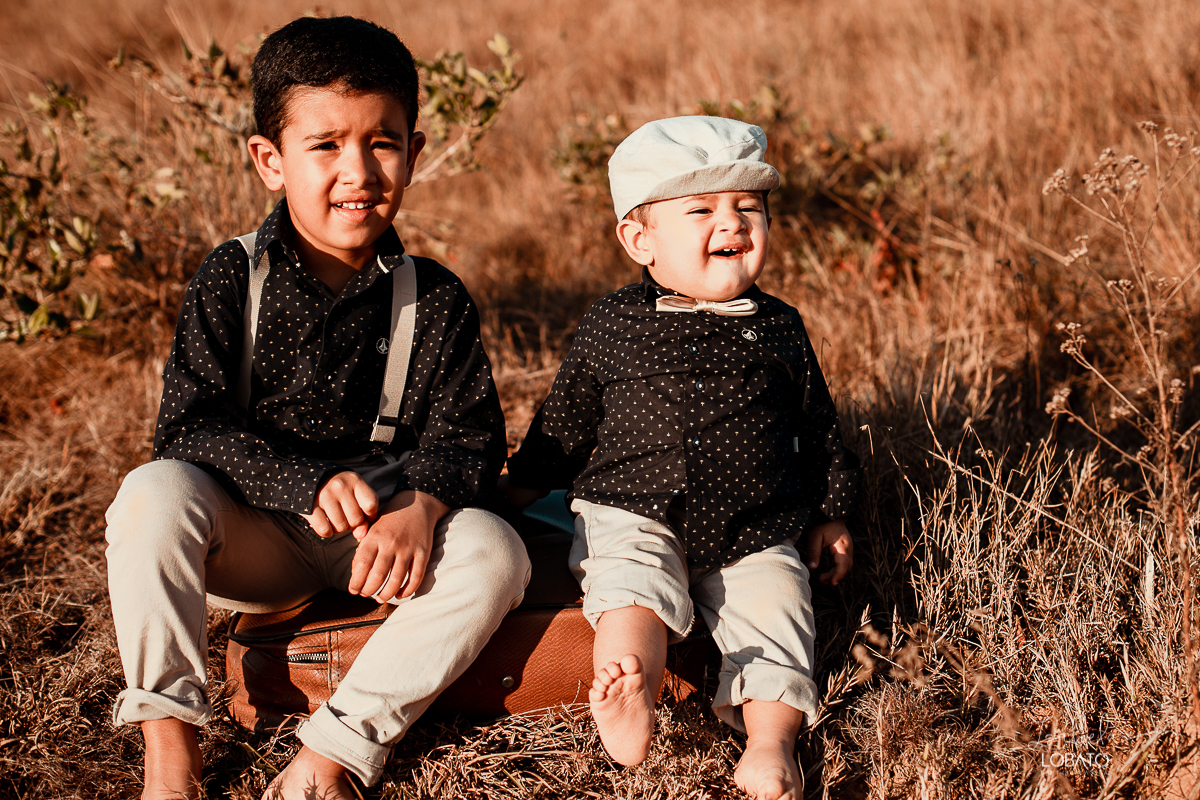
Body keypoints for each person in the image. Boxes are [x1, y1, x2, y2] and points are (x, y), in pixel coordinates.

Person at [104, 16, 529, 800]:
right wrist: (301, 482)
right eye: (326, 144)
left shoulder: (433, 296)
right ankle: (171, 753)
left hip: (378, 548)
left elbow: (470, 439)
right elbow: (188, 426)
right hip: (253, 539)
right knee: (150, 495)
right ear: (270, 160)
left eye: (383, 142)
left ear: (416, 151)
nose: (358, 170)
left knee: (496, 551)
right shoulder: (232, 277)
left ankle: (330, 753)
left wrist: (424, 509)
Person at [504, 116, 862, 800]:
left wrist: (830, 513)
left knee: (779, 610)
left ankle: (769, 744)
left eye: (748, 208)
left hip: (754, 523)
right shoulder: (612, 324)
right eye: (701, 210)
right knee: (629, 589)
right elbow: (567, 420)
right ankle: (628, 695)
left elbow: (818, 427)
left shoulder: (780, 326)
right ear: (640, 240)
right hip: (632, 507)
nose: (731, 224)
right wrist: (521, 487)